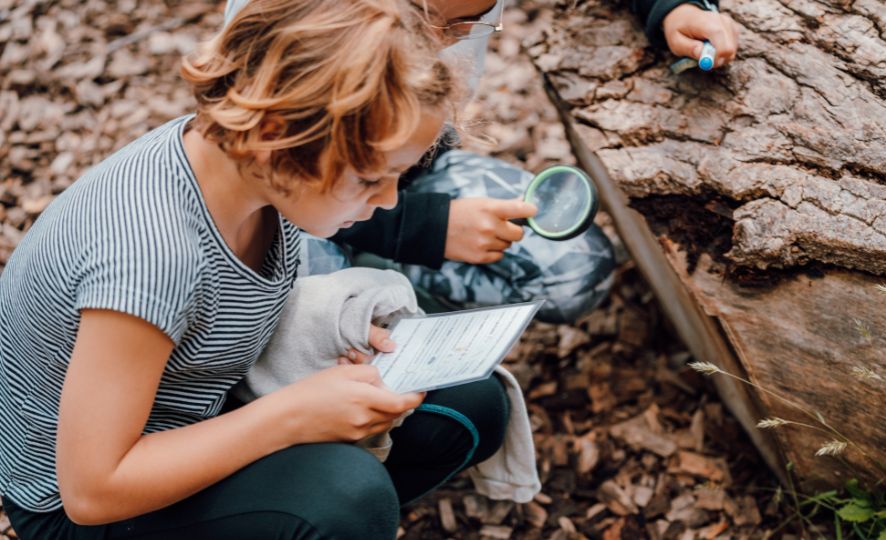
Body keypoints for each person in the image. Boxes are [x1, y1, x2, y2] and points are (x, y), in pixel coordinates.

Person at [0, 1, 510, 538]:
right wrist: (294, 415)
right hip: (77, 499)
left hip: (196, 411)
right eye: (368, 178)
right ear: (277, 138)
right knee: (342, 497)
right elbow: (91, 489)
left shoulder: (247, 168)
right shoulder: (150, 258)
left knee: (466, 399)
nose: (387, 201)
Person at [228, 0, 739, 324]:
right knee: (296, 325)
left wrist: (671, 9)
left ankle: (401, 300)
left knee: (574, 272)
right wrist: (424, 228)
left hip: (407, 179)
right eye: (434, 19)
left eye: (476, 20)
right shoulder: (293, 21)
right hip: (285, 209)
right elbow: (263, 179)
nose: (454, 39)